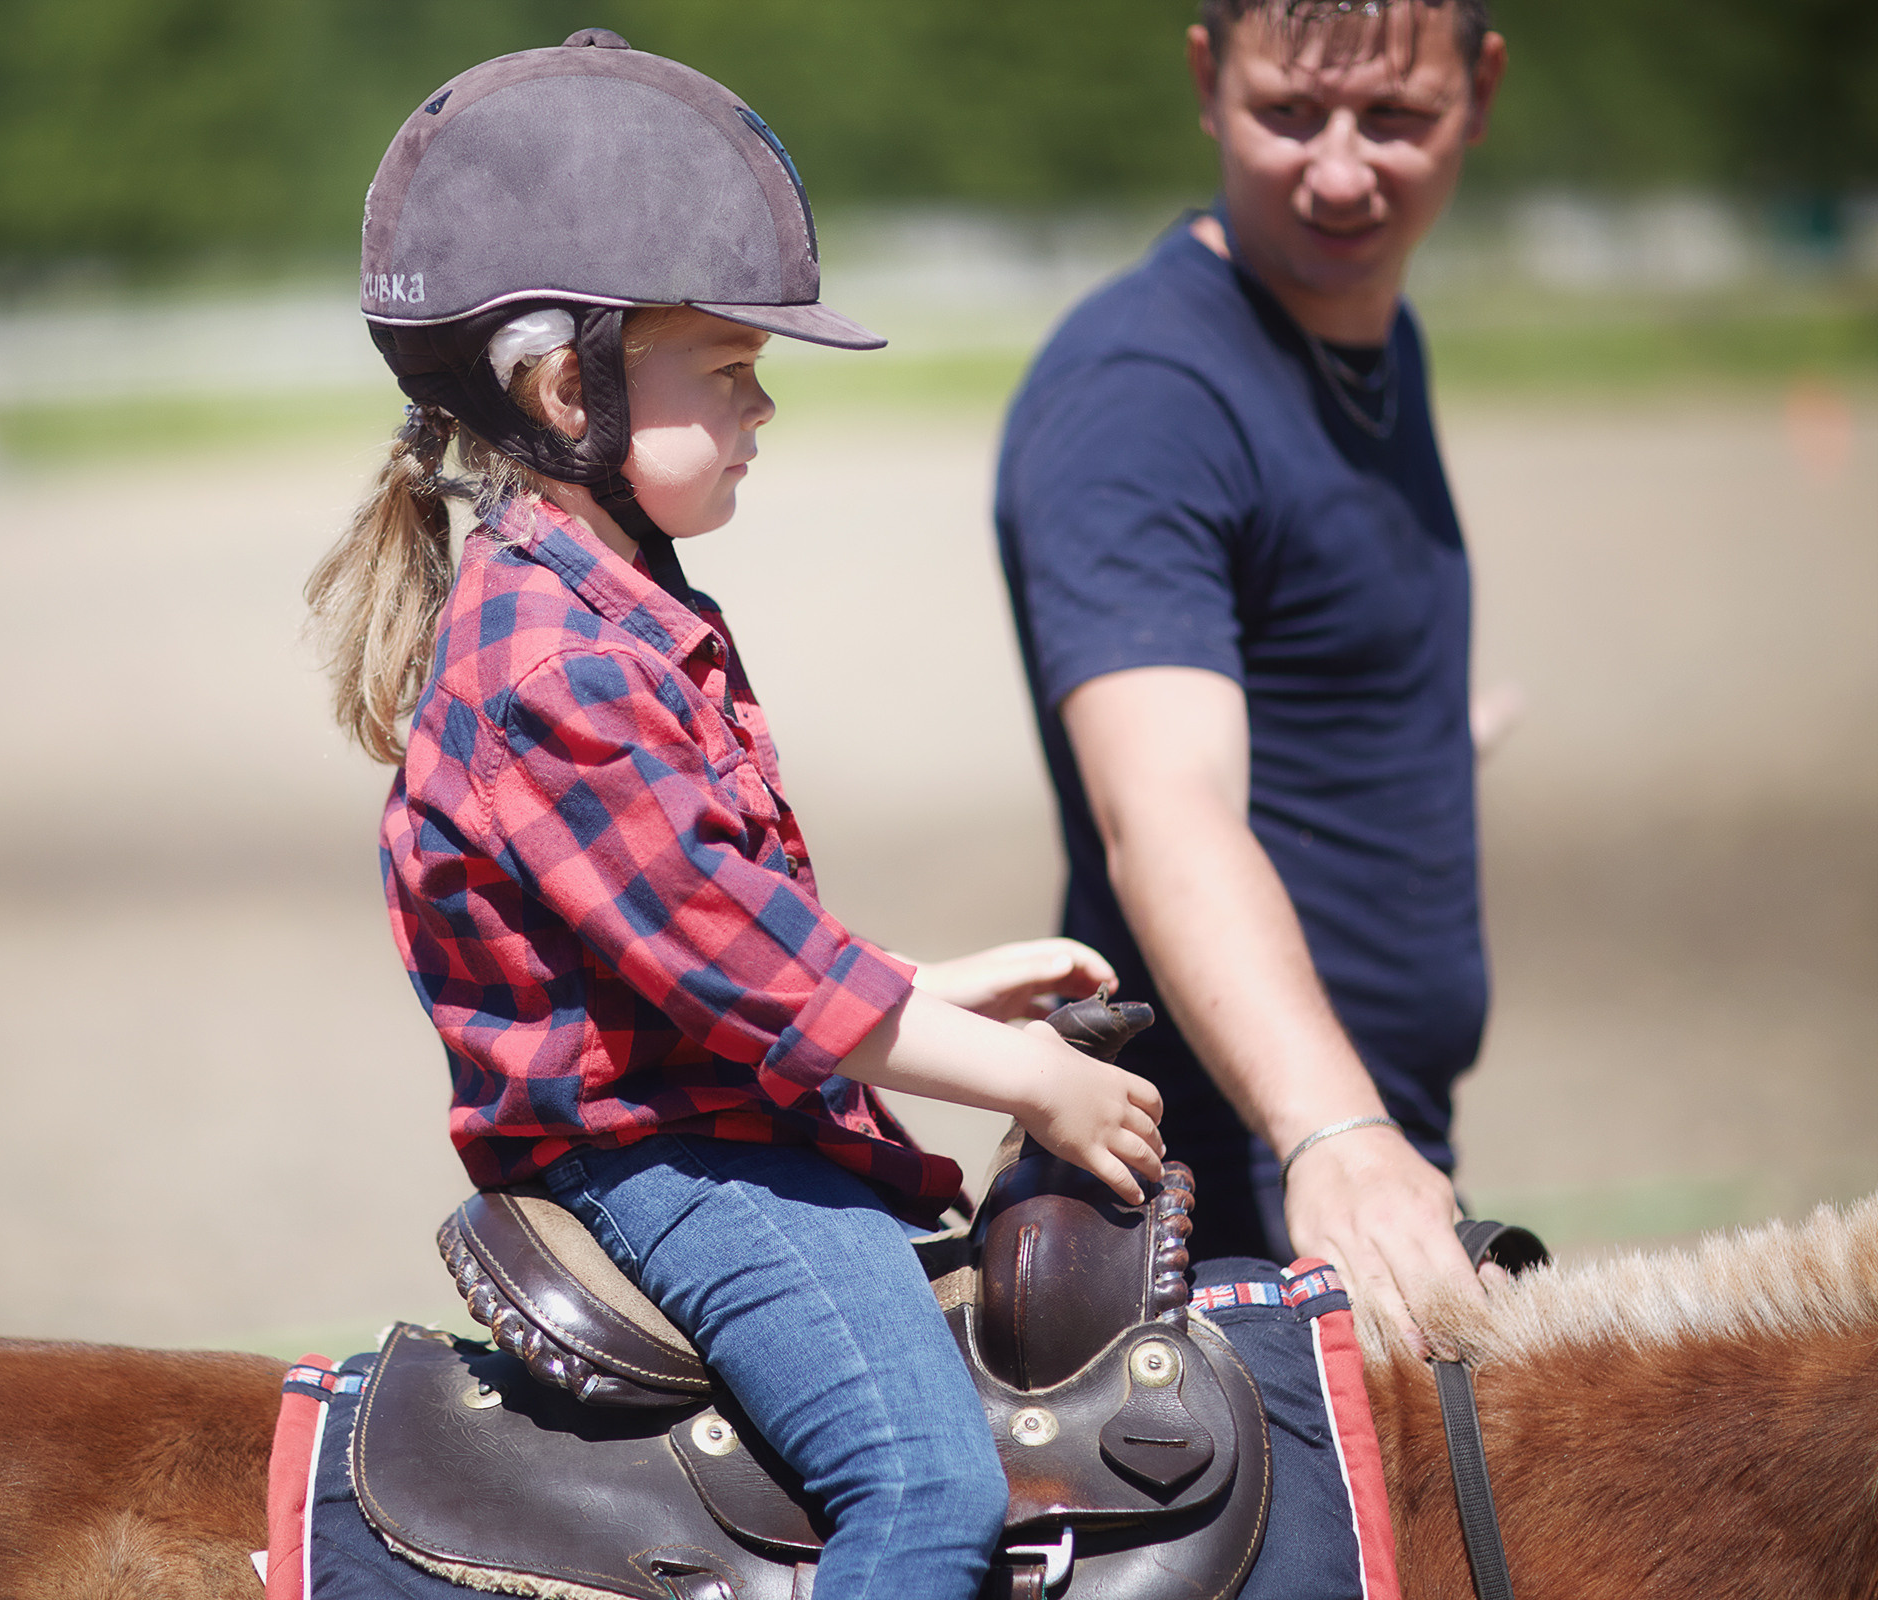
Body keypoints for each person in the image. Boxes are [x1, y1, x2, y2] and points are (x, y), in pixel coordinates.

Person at [308, 32, 1165, 1600]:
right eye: (731, 371)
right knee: (925, 1491)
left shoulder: (617, 600)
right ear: (573, 386)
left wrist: (934, 992)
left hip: (706, 1102)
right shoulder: (552, 663)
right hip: (675, 1161)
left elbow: (704, 918)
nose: (763, 409)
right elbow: (742, 968)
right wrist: (1022, 1079)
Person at [994, 0, 1509, 1352]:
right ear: (1208, 76)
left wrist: (1425, 747)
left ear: (1484, 92)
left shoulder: (1372, 336)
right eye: (1292, 113)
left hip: (1368, 1174)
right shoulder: (1148, 389)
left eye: (1394, 118)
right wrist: (1331, 1131)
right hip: (1223, 1224)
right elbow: (1162, 807)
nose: (1341, 171)